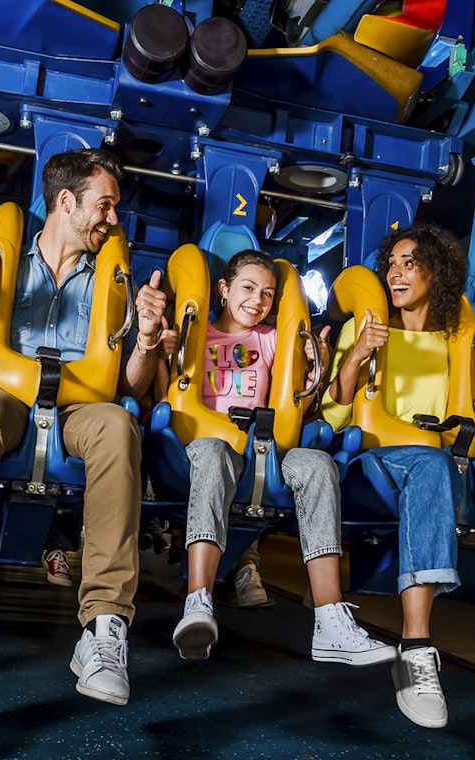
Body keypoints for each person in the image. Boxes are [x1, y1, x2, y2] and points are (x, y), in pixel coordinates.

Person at [0, 149, 167, 706]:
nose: (112, 219)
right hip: (7, 397)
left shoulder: (112, 275)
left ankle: (104, 627)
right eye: (104, 205)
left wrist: (144, 337)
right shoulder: (2, 257)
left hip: (78, 407)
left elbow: (133, 386)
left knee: (120, 425)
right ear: (66, 202)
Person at [321, 223, 475, 742]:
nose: (395, 273)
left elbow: (474, 429)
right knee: (430, 464)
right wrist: (356, 357)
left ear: (438, 271)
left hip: (446, 462)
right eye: (392, 263)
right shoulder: (364, 326)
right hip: (380, 465)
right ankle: (415, 650)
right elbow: (336, 416)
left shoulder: (459, 337)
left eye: (410, 263)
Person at [168, 249, 394, 665]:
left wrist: (316, 370)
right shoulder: (199, 334)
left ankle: (329, 619)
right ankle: (198, 601)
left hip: (266, 451)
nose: (258, 300)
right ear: (223, 289)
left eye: (268, 294)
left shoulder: (271, 340)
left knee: (317, 465)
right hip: (211, 444)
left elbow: (300, 407)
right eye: (248, 288)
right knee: (213, 453)